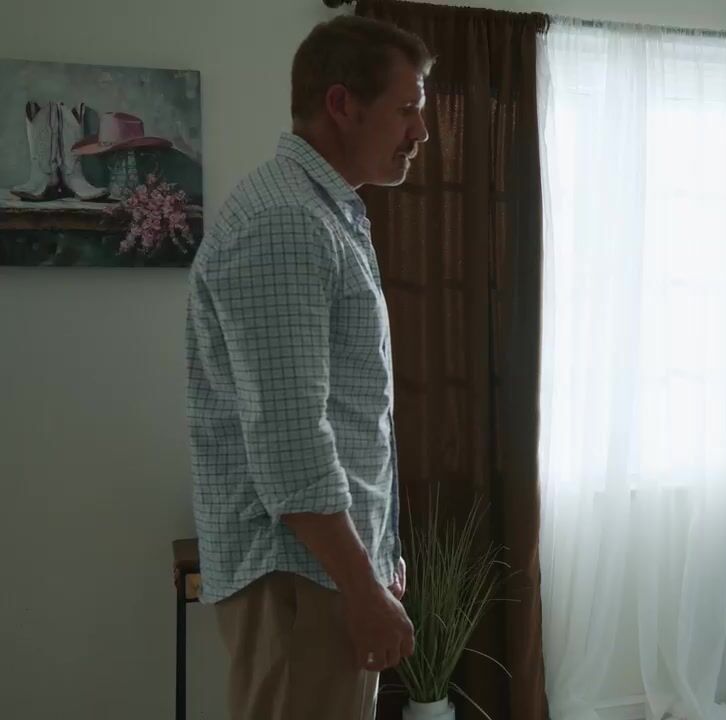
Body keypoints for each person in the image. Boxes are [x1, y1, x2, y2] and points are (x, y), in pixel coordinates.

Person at [185, 16, 432, 720]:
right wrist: (360, 583)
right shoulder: (287, 222)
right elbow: (291, 437)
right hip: (303, 576)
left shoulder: (324, 213)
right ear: (342, 104)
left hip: (320, 570)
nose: (420, 132)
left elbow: (346, 414)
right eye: (406, 109)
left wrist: (377, 551)